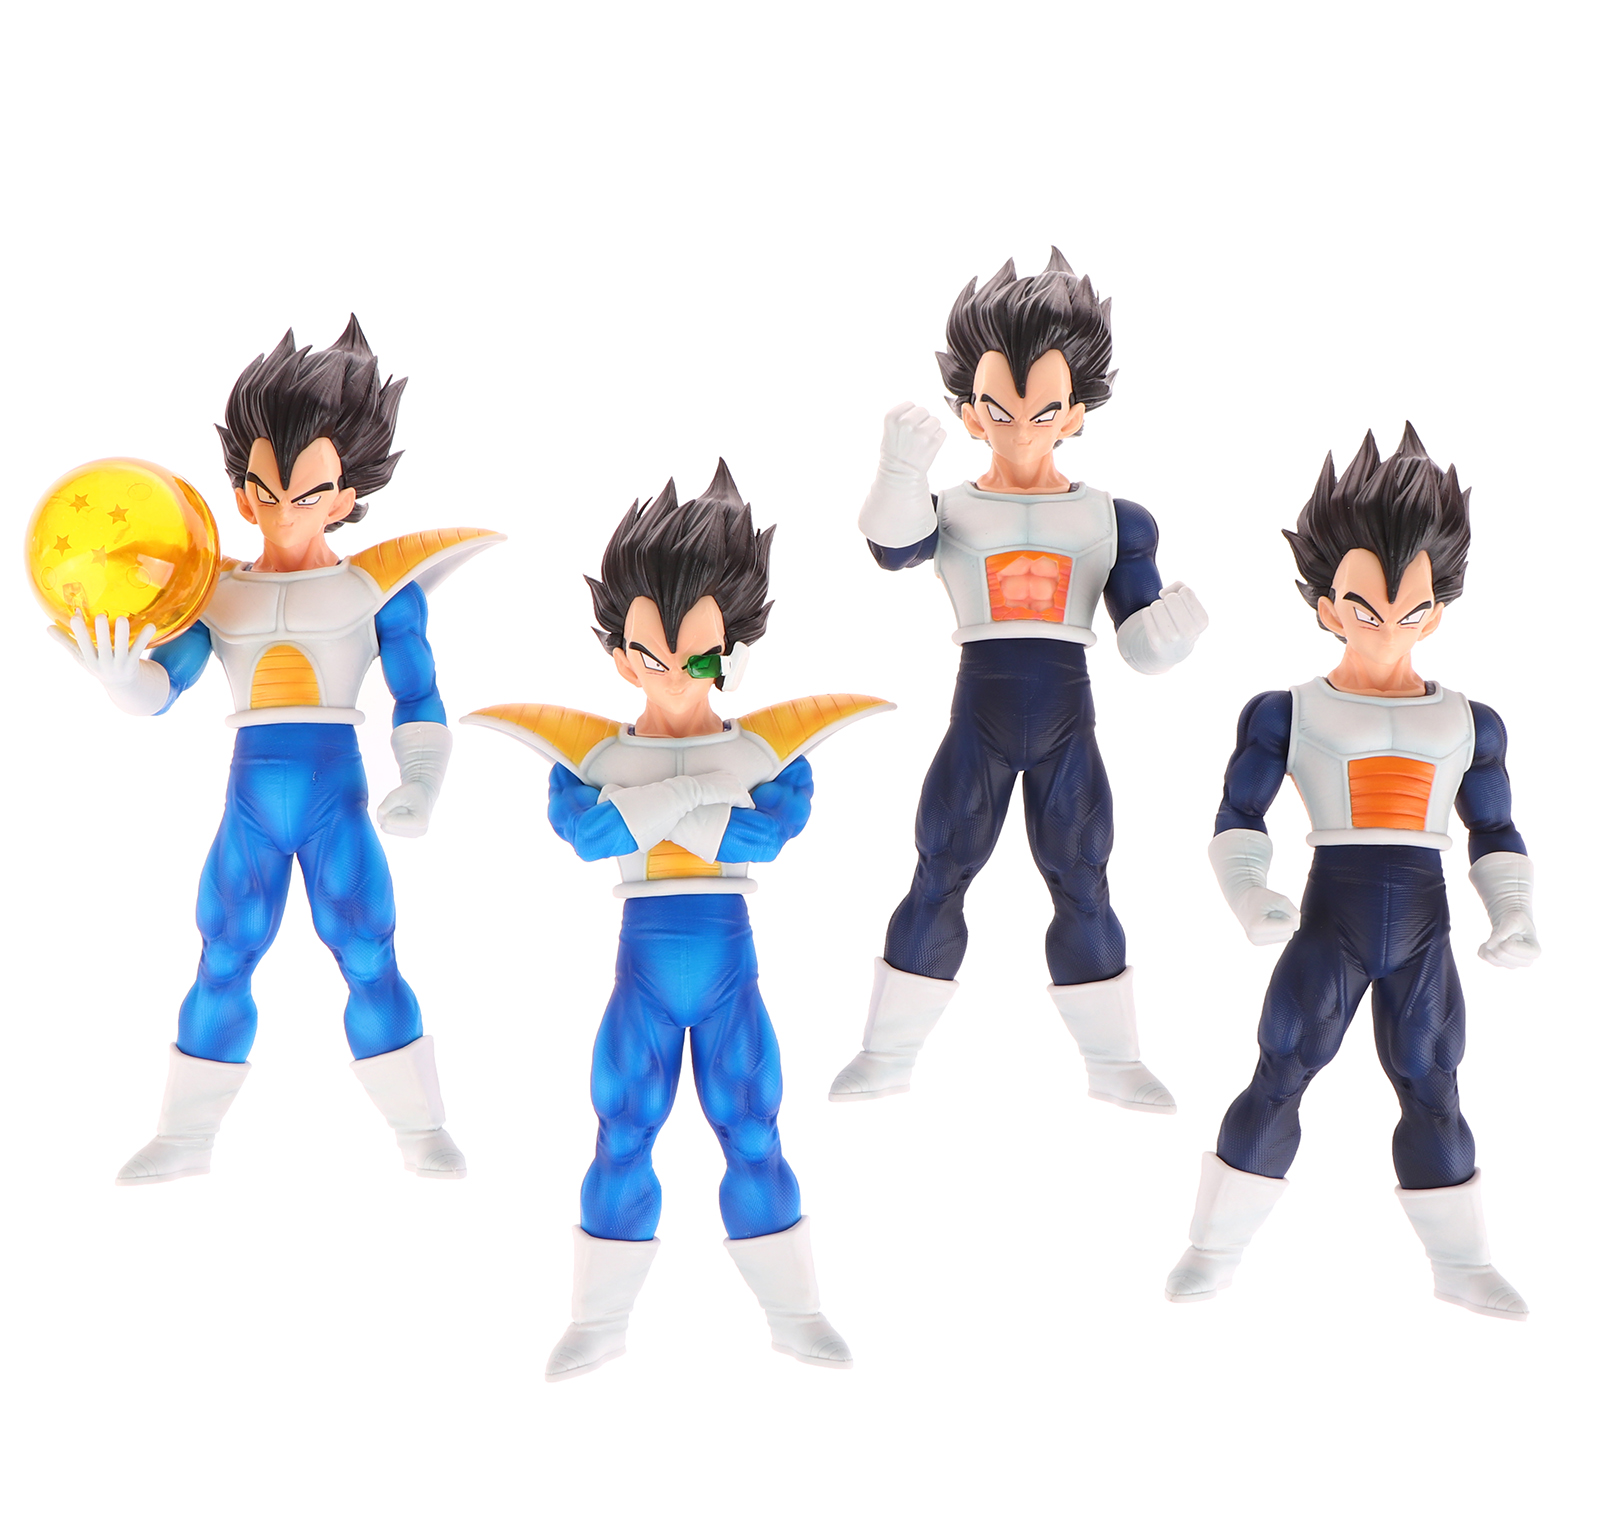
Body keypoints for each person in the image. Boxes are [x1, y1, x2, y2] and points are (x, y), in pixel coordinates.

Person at [467, 463, 888, 1379]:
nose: (669, 677)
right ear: (620, 656)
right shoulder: (588, 753)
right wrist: (698, 792)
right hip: (644, 977)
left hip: (730, 972)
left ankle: (795, 1313)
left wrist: (658, 803)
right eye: (648, 657)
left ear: (731, 650)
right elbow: (588, 838)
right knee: (623, 1129)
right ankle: (599, 1321)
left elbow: (765, 835)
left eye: (695, 659)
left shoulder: (770, 748)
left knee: (753, 1128)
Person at [58, 317, 502, 1184]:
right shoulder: (214, 591)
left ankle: (420, 1128)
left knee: (367, 949)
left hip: (339, 797)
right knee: (224, 950)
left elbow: (418, 696)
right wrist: (120, 680)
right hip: (252, 803)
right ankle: (185, 1136)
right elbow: (165, 686)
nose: (283, 511)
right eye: (263, 489)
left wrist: (419, 783)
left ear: (345, 496)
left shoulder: (379, 588)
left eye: (308, 493)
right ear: (240, 491)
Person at [1165, 424, 1537, 1318]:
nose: (1388, 629)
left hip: (1423, 929)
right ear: (1327, 606)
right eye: (1365, 609)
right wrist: (1250, 894)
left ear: (1437, 610)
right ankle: (1213, 1250)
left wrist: (1515, 913)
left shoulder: (1471, 723)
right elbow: (1238, 815)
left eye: (1412, 610)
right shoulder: (1287, 712)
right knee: (1283, 1069)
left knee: (1433, 1083)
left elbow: (1495, 828)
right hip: (1329, 922)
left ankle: (1462, 1265)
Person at [832, 249, 1208, 1112]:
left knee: (1083, 876)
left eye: (1043, 410)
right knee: (940, 868)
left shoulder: (1115, 519)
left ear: (1076, 411)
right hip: (981, 717)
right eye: (999, 409)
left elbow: (1139, 641)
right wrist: (898, 473)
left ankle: (1114, 1062)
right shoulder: (952, 509)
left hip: (1069, 718)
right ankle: (887, 1054)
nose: (1023, 428)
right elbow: (891, 547)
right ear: (969, 411)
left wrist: (1170, 635)